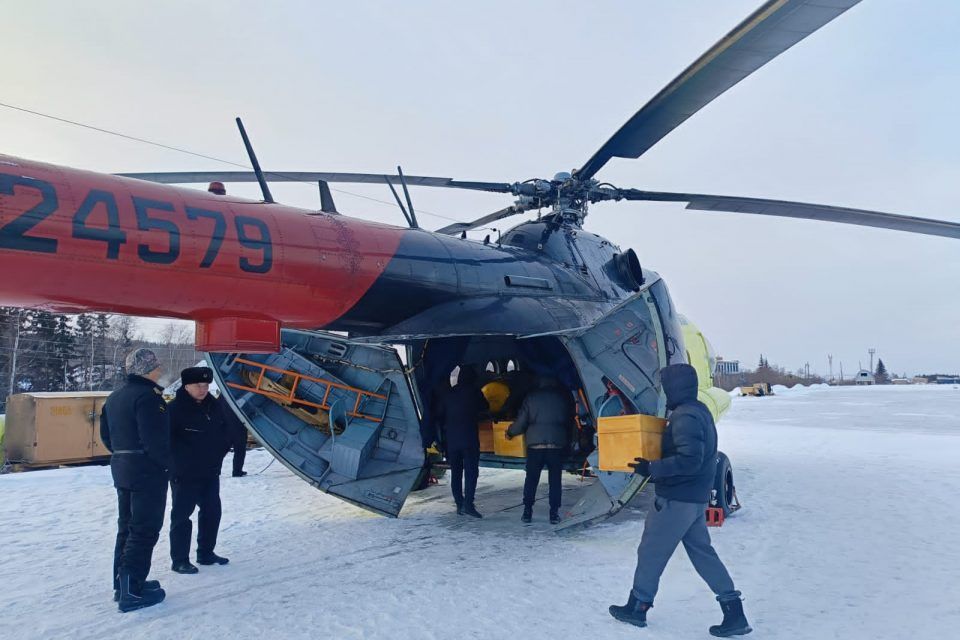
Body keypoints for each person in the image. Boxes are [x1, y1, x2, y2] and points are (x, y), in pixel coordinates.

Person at [609, 363, 751, 637]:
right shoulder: (699, 411)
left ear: (674, 387)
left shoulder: (685, 416)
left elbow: (689, 460)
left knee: (651, 551)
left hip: (676, 500)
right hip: (694, 500)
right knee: (703, 554)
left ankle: (638, 606)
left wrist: (652, 468)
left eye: (666, 387)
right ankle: (734, 611)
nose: (664, 392)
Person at [100, 348, 170, 612]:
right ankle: (131, 591)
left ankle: (123, 584)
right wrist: (167, 465)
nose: (160, 369)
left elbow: (106, 436)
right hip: (146, 471)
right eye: (156, 365)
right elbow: (155, 439)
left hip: (122, 466)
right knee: (143, 529)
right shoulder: (148, 397)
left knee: (126, 527)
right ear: (148, 368)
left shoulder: (115, 397)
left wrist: (124, 454)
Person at [168, 367, 233, 574]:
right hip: (184, 473)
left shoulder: (214, 406)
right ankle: (180, 560)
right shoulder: (174, 409)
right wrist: (177, 464)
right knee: (182, 516)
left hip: (210, 471)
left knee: (212, 512)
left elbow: (225, 432)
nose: (203, 389)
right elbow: (165, 442)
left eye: (206, 385)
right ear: (186, 386)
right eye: (198, 385)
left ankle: (206, 552)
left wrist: (219, 455)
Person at [506, 375, 574, 525]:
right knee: (555, 480)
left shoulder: (531, 397)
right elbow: (568, 420)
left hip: (535, 446)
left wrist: (510, 432)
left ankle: (527, 511)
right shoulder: (561, 398)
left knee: (531, 479)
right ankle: (554, 514)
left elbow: (521, 422)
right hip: (556, 445)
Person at [434, 366, 487, 518]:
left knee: (456, 473)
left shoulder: (448, 394)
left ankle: (459, 504)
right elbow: (485, 407)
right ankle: (469, 504)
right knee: (471, 472)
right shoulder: (474, 392)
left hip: (452, 440)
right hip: (469, 439)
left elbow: (439, 415)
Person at [223, 397, 248, 477]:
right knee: (240, 450)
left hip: (226, 427)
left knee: (222, 451)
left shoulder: (224, 394)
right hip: (239, 427)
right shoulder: (241, 394)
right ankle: (237, 471)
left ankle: (214, 470)